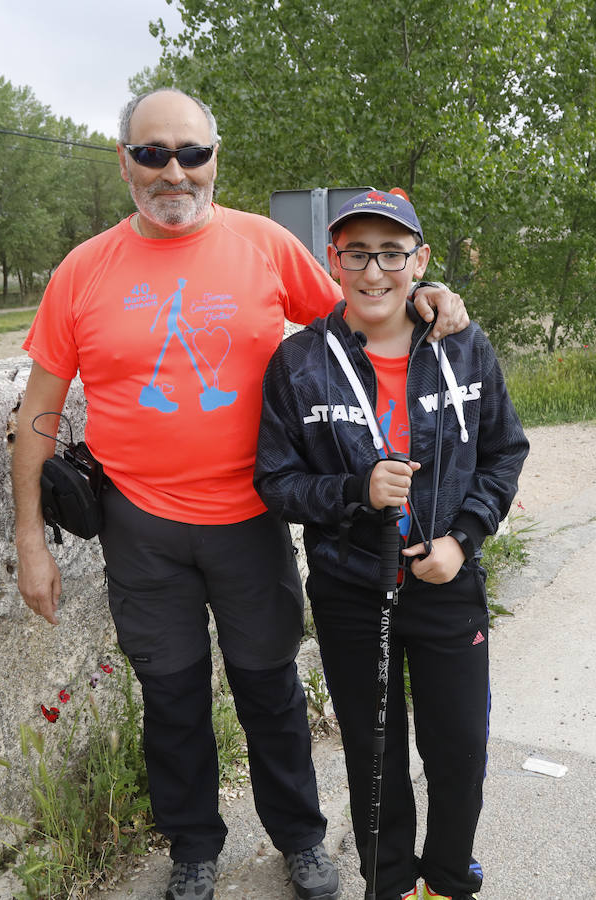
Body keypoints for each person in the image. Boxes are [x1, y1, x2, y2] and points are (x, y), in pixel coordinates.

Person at [11, 90, 469, 900]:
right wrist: (29, 541)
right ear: (124, 161)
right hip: (139, 524)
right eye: (152, 153)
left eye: (191, 152)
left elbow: (361, 316)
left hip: (253, 516)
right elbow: (40, 410)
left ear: (216, 158)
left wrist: (427, 300)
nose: (174, 171)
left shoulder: (264, 246)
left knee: (270, 686)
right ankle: (194, 846)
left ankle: (299, 837)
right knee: (173, 693)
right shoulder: (82, 271)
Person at [254, 189, 529, 900]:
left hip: (446, 583)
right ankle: (391, 884)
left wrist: (463, 540)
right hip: (351, 586)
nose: (374, 272)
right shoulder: (298, 363)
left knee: (459, 750)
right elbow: (276, 482)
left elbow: (504, 451)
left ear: (420, 260)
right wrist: (354, 490)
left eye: (391, 254)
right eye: (357, 254)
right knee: (374, 759)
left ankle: (445, 881)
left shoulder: (462, 345)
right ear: (333, 261)